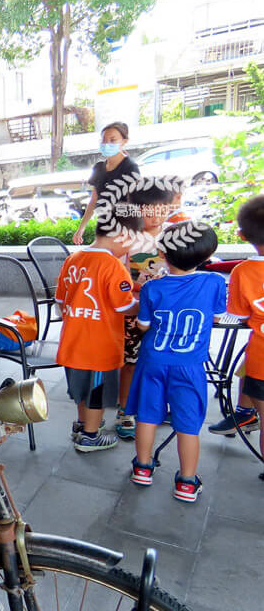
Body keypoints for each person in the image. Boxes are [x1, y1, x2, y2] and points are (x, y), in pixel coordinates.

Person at [126, 224, 225, 502]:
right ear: (207, 255)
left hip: (153, 362)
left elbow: (143, 325)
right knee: (188, 424)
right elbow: (217, 316)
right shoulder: (214, 282)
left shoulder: (152, 287)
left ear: (161, 253)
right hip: (189, 366)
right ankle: (186, 482)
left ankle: (143, 468)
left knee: (147, 416)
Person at [56, 216, 140, 452]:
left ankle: (83, 425)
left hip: (73, 339)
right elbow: (124, 307)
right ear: (122, 236)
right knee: (98, 390)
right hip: (100, 343)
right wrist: (143, 306)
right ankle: (90, 437)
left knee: (81, 388)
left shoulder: (73, 259)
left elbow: (60, 299)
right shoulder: (114, 266)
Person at [114, 177, 182, 440]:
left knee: (162, 362)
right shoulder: (126, 240)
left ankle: (157, 407)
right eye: (148, 209)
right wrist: (139, 287)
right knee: (130, 363)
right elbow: (117, 277)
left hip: (166, 314)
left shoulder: (174, 236)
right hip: (136, 310)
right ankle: (124, 411)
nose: (155, 216)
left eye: (162, 210)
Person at [225, 195, 264, 460]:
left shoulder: (244, 271)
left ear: (241, 235)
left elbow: (237, 313)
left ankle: (245, 413)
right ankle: (242, 413)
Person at [72, 122, 140, 245]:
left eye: (112, 140)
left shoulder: (130, 167)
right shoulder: (98, 168)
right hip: (104, 226)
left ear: (124, 141)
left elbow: (135, 201)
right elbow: (94, 200)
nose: (107, 144)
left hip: (124, 230)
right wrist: (80, 229)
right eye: (104, 140)